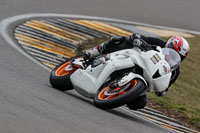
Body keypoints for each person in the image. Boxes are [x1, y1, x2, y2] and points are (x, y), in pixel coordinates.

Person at [83, 33, 190, 110]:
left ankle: (116, 95)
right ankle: (94, 51)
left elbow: (164, 88)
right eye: (173, 51)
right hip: (133, 59)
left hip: (144, 78)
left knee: (140, 103)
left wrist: (162, 90)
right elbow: (138, 36)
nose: (174, 56)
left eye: (179, 56)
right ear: (169, 45)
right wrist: (139, 40)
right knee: (121, 40)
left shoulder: (174, 71)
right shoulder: (158, 43)